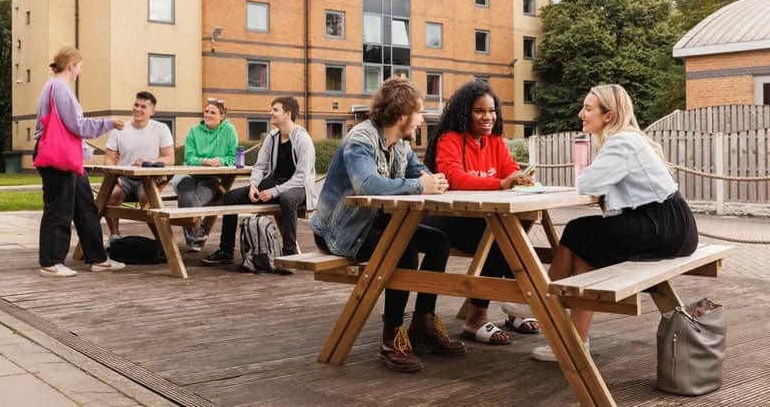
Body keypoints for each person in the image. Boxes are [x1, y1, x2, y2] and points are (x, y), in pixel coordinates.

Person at [531, 84, 699, 362]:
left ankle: (546, 305)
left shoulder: (622, 142)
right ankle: (574, 340)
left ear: (607, 116)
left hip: (662, 227)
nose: (581, 113)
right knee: (586, 243)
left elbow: (586, 183)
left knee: (577, 231)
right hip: (672, 225)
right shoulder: (628, 139)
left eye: (588, 108)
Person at [311, 77, 467, 373]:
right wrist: (420, 186)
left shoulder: (399, 144)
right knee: (404, 249)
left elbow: (417, 171)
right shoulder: (361, 140)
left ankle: (422, 323)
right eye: (419, 113)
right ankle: (392, 337)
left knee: (438, 241)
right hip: (339, 231)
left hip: (370, 221)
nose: (421, 120)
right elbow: (367, 184)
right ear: (403, 113)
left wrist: (433, 180)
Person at [422, 80, 540, 346]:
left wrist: (518, 178)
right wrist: (500, 183)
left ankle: (513, 310)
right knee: (502, 238)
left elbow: (508, 168)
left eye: (492, 111)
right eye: (479, 111)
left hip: (481, 218)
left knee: (513, 232)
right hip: (447, 218)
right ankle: (476, 318)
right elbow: (453, 177)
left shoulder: (495, 141)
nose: (487, 117)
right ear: (465, 112)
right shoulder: (449, 140)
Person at [34, 46, 126, 277]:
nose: (79, 72)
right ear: (72, 65)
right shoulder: (59, 87)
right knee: (59, 208)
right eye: (80, 67)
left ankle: (98, 258)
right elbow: (78, 125)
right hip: (57, 156)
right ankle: (50, 262)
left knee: (85, 206)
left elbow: (67, 127)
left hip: (65, 155)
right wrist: (109, 122)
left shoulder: (53, 87)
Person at [202, 96, 318, 265]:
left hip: (298, 187)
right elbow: (260, 166)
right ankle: (226, 251)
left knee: (287, 199)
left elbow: (301, 176)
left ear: (287, 114)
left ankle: (290, 255)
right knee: (229, 197)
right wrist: (253, 185)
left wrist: (274, 192)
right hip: (273, 184)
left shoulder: (303, 139)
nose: (271, 113)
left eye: (275, 110)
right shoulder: (272, 137)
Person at [104, 91, 174, 241]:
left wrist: (147, 162)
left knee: (147, 199)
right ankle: (115, 236)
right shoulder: (120, 129)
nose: (138, 109)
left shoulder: (161, 129)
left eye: (143, 106)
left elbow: (170, 159)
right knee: (109, 196)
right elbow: (109, 158)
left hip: (149, 179)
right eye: (136, 105)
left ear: (152, 111)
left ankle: (162, 241)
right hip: (125, 179)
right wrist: (113, 174)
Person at [174, 98, 238, 251]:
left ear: (222, 116)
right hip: (188, 175)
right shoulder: (194, 131)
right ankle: (196, 232)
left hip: (212, 180)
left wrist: (219, 161)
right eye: (206, 111)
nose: (208, 115)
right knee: (186, 191)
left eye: (213, 112)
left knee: (190, 198)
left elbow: (232, 158)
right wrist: (205, 161)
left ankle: (194, 236)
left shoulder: (229, 130)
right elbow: (189, 158)